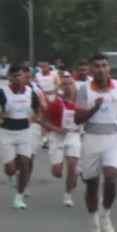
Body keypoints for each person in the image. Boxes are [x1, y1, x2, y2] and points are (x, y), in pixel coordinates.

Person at [75, 53, 117, 232]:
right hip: (91, 138)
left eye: (104, 65)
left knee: (111, 177)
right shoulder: (84, 90)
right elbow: (77, 119)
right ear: (91, 70)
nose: (100, 69)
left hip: (113, 138)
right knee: (91, 184)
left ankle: (106, 212)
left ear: (108, 68)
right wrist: (94, 108)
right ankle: (94, 226)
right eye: (96, 66)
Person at [0, 65, 41, 210]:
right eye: (14, 76)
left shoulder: (30, 92)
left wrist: (37, 117)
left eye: (20, 75)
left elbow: (38, 109)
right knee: (11, 169)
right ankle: (11, 174)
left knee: (25, 162)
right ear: (10, 78)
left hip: (25, 131)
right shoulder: (3, 92)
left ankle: (19, 198)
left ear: (24, 77)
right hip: (7, 133)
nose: (18, 78)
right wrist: (1, 115)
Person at [42, 72, 81, 207]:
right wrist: (56, 129)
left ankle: (68, 195)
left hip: (73, 136)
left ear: (74, 85)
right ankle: (60, 169)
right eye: (65, 85)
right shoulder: (56, 104)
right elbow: (44, 121)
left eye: (70, 84)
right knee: (57, 172)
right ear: (61, 87)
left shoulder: (80, 102)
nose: (68, 87)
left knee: (72, 166)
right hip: (57, 137)